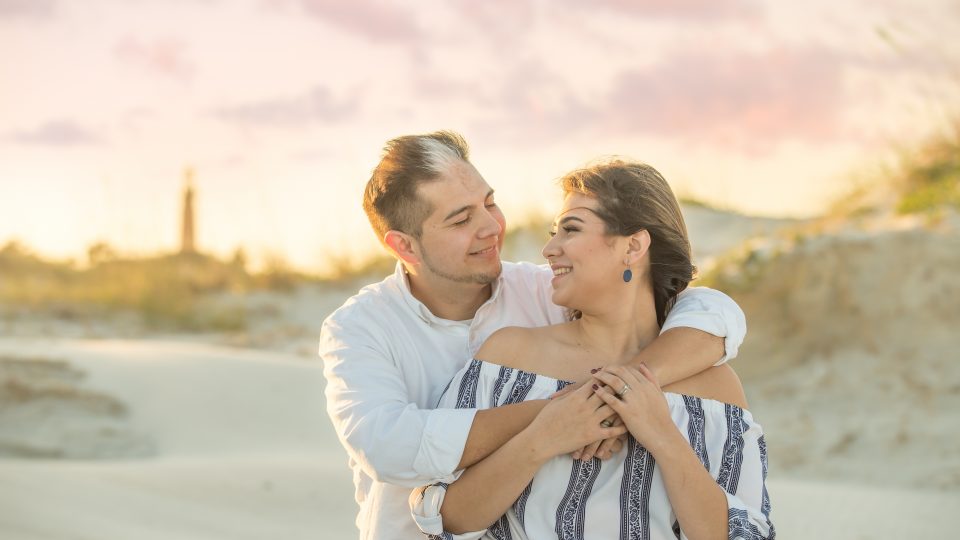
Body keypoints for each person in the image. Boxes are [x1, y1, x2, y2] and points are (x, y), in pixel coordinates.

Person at [319, 132, 747, 539]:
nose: (491, 227)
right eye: (462, 219)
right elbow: (390, 447)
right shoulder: (359, 328)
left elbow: (710, 310)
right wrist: (563, 412)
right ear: (406, 247)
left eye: (489, 203)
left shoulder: (550, 291)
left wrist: (620, 393)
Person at [409, 160, 773, 539]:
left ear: (633, 246)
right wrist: (543, 437)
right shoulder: (507, 358)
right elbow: (445, 520)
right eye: (554, 232)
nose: (549, 249)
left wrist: (661, 434)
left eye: (571, 229)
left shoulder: (714, 390)